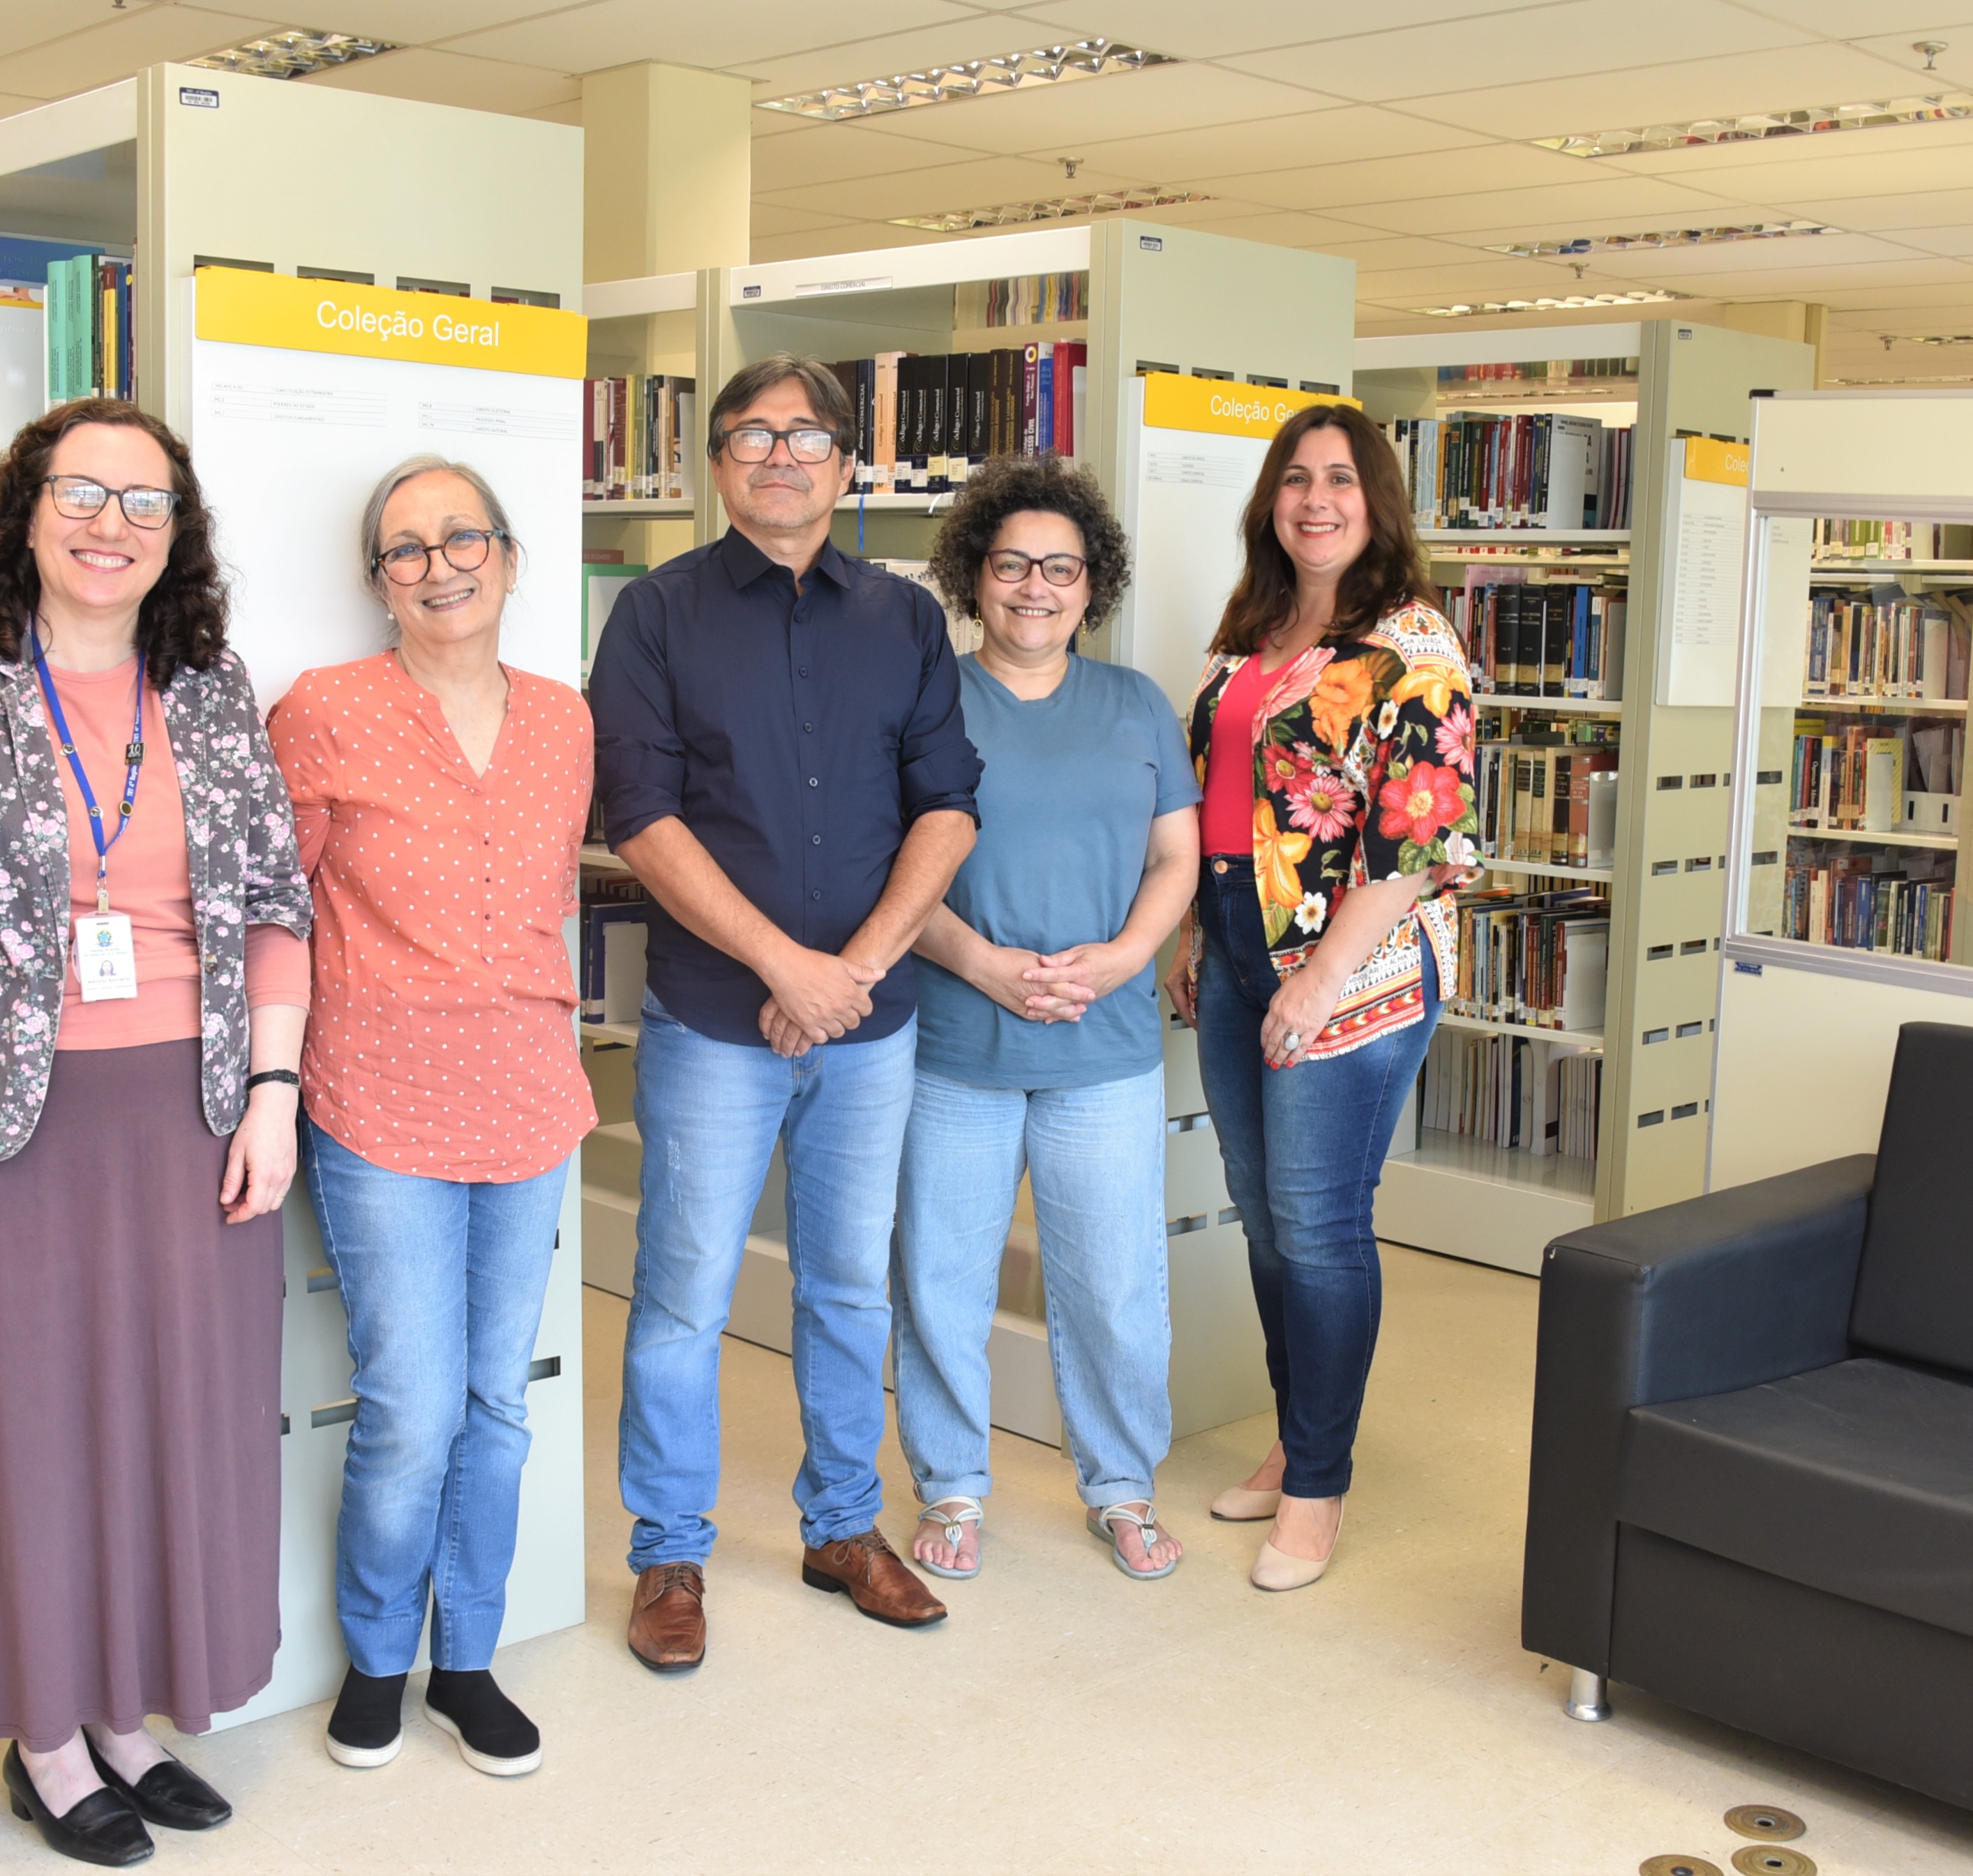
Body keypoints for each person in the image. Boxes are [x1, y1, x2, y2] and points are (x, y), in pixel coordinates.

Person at [0, 399, 313, 1867]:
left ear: (178, 535)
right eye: (82, 492)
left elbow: (274, 911)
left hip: (188, 1114)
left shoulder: (214, 690)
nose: (111, 524)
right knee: (25, 1434)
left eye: (145, 502)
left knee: (167, 1420)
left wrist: (274, 1094)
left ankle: (127, 1716)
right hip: (1, 1127)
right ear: (24, 511)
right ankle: (46, 1738)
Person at [590, 354, 982, 1671]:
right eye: (752, 434)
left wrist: (851, 970)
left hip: (868, 1024)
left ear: (845, 462)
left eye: (806, 433)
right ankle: (668, 1552)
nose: (780, 454)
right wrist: (783, 966)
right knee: (685, 1292)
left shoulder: (905, 618)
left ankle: (842, 1526)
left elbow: (945, 803)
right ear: (715, 465)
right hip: (716, 1017)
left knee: (845, 1290)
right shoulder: (655, 615)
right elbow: (638, 817)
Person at [264, 458, 594, 1776]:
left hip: (530, 1095)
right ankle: (376, 1655)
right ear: (376, 581)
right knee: (408, 1406)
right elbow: (272, 909)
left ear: (510, 559)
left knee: (496, 1405)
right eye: (404, 548)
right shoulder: (326, 709)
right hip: (378, 1098)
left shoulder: (567, 720)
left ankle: (468, 1660)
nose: (438, 563)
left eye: (464, 536)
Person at [1166, 400, 1480, 1593]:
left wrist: (1319, 978)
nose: (1315, 499)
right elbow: (1221, 794)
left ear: (1377, 499)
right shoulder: (1252, 627)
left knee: (1318, 1217)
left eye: (1340, 480)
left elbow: (1417, 843)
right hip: (1240, 945)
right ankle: (1299, 1438)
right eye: (1295, 479)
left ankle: (1319, 1484)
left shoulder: (1414, 644)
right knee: (1260, 1212)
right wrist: (1201, 931)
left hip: (1353, 963)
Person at [893, 455, 1200, 1584]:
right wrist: (981, 964)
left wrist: (1121, 959)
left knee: (1113, 1280)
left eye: (1059, 568)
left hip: (1102, 1045)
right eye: (1012, 564)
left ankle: (1120, 1484)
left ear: (1092, 584)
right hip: (956, 1042)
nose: (1035, 587)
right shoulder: (928, 698)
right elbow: (898, 871)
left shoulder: (1133, 706)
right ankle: (952, 1485)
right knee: (940, 1276)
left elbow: (1176, 854)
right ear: (974, 576)